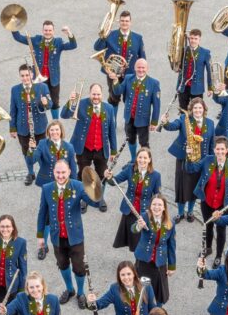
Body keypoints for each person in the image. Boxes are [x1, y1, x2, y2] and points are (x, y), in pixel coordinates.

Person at [35, 160, 101, 307]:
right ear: (53, 172)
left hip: (75, 237)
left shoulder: (77, 186)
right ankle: (70, 289)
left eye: (63, 172)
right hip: (57, 237)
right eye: (58, 172)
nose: (60, 175)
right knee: (63, 264)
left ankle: (80, 292)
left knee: (79, 267)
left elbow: (95, 203)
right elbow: (42, 214)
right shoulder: (46, 188)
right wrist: (41, 237)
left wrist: (97, 189)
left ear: (69, 172)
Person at [61, 83, 117, 211]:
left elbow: (111, 131)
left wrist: (113, 150)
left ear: (102, 95)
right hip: (84, 147)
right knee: (83, 174)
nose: (96, 97)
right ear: (89, 94)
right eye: (93, 94)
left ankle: (99, 197)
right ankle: (83, 198)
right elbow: (64, 115)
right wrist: (71, 101)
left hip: (101, 148)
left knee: (102, 174)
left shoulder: (108, 108)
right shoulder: (81, 103)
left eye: (98, 94)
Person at [187, 137, 228, 267]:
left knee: (221, 230)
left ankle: (218, 256)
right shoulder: (207, 160)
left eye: (223, 149)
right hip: (207, 201)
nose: (220, 152)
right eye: (218, 149)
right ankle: (208, 248)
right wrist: (188, 156)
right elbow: (191, 169)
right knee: (208, 226)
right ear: (214, 150)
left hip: (223, 205)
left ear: (227, 150)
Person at [161, 97, 214, 223]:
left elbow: (212, 143)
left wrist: (212, 161)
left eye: (200, 108)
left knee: (195, 188)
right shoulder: (184, 119)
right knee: (181, 187)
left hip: (200, 160)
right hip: (184, 159)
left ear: (204, 109)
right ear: (191, 109)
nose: (197, 110)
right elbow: (172, 126)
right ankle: (180, 213)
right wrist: (165, 122)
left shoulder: (210, 123)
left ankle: (190, 212)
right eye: (195, 108)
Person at [11, 20, 77, 120]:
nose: (48, 32)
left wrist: (69, 33)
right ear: (42, 30)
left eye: (50, 30)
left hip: (53, 78)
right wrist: (14, 27)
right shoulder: (36, 40)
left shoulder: (58, 42)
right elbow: (18, 37)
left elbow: (73, 46)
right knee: (36, 101)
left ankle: (55, 122)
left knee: (54, 102)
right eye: (46, 30)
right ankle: (37, 121)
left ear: (53, 31)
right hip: (37, 77)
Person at [108, 147, 161, 251]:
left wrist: (154, 214)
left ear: (149, 159)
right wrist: (109, 177)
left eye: (145, 158)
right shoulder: (130, 169)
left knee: (140, 242)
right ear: (136, 158)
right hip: (129, 210)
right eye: (140, 157)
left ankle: (139, 264)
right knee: (133, 241)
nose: (142, 160)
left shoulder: (155, 175)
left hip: (143, 213)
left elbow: (157, 197)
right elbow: (115, 181)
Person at [32, 123, 79, 235]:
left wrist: (75, 187)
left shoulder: (69, 147)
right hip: (48, 184)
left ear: (61, 131)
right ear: (48, 132)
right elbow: (32, 160)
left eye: (56, 130)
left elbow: (73, 168)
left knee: (65, 212)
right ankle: (43, 243)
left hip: (65, 184)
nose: (54, 132)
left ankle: (65, 237)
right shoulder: (42, 144)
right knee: (45, 213)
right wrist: (32, 149)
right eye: (51, 130)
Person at [93, 9, 145, 109]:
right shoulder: (110, 35)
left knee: (129, 98)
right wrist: (103, 36)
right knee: (113, 99)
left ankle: (128, 124)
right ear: (119, 22)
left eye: (126, 21)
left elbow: (142, 59)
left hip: (130, 74)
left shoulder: (138, 38)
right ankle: (113, 123)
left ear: (130, 22)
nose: (124, 23)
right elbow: (97, 48)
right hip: (112, 73)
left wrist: (142, 74)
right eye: (122, 21)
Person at [10, 64, 51, 185]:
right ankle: (31, 172)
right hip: (22, 127)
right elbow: (13, 109)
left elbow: (49, 105)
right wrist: (12, 128)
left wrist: (46, 103)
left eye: (27, 75)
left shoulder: (42, 87)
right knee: (26, 151)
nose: (25, 78)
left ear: (32, 75)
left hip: (39, 126)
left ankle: (44, 173)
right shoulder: (15, 89)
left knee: (42, 150)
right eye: (22, 76)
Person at [112, 58, 161, 161]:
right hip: (129, 117)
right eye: (139, 67)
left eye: (143, 68)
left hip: (143, 119)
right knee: (130, 139)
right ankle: (133, 159)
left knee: (144, 142)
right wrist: (116, 81)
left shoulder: (154, 83)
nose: (141, 70)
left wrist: (154, 121)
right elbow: (118, 91)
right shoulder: (128, 78)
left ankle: (147, 163)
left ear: (147, 69)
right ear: (134, 68)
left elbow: (156, 105)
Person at [131, 194, 176, 306]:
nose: (156, 207)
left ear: (164, 207)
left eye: (159, 204)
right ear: (150, 206)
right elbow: (133, 229)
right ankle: (140, 311)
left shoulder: (170, 223)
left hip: (159, 263)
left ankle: (157, 312)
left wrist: (171, 266)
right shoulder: (144, 217)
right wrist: (138, 226)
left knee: (159, 293)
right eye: (154, 204)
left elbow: (171, 245)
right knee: (141, 290)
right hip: (143, 261)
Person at [176, 28, 213, 110]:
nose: (193, 41)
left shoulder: (205, 52)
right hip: (183, 86)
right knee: (183, 110)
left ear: (199, 39)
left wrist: (210, 87)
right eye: (191, 38)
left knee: (197, 110)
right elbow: (178, 67)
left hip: (197, 88)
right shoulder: (184, 50)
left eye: (195, 39)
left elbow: (209, 71)